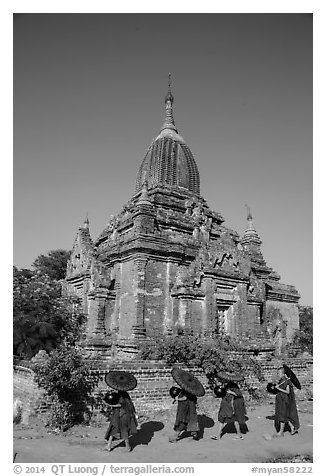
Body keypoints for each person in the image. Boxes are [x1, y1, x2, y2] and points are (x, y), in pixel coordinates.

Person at [274, 366, 300, 437]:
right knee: (284, 414)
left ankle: (281, 432)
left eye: (279, 373)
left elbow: (288, 392)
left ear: (283, 373)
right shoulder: (281, 381)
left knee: (282, 415)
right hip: (280, 399)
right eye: (277, 373)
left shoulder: (287, 381)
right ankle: (292, 427)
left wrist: (279, 388)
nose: (278, 375)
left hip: (284, 399)